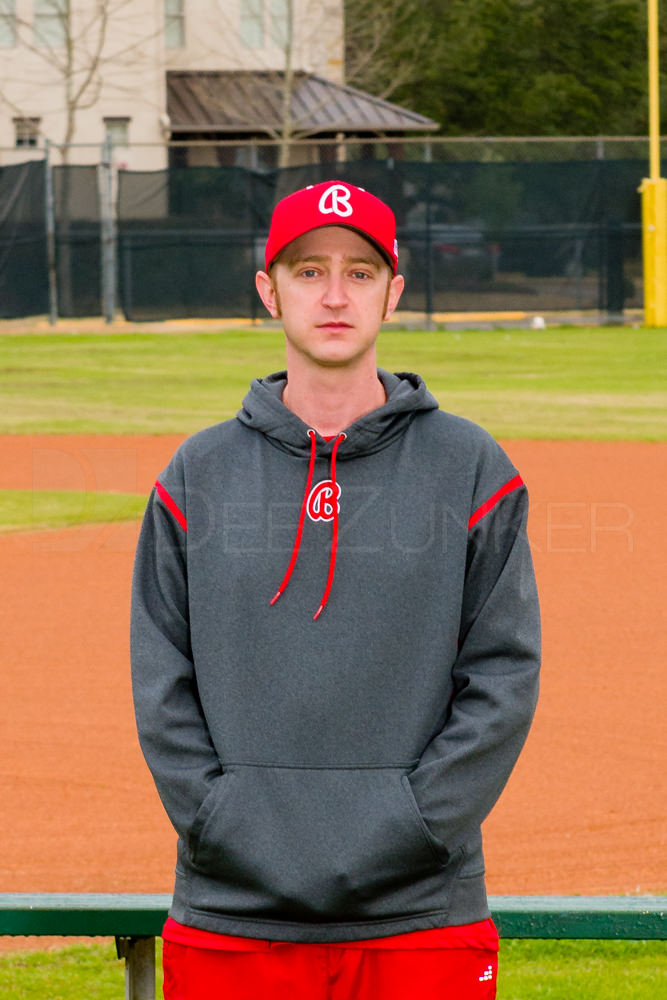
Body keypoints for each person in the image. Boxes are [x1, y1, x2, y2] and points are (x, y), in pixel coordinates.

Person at [130, 179, 541, 1000]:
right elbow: (161, 682)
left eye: (359, 273)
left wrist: (416, 826)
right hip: (233, 910)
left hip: (421, 911)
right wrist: (220, 821)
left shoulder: (471, 469)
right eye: (308, 270)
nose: (332, 294)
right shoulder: (196, 474)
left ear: (393, 292)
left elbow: (502, 677)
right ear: (267, 290)